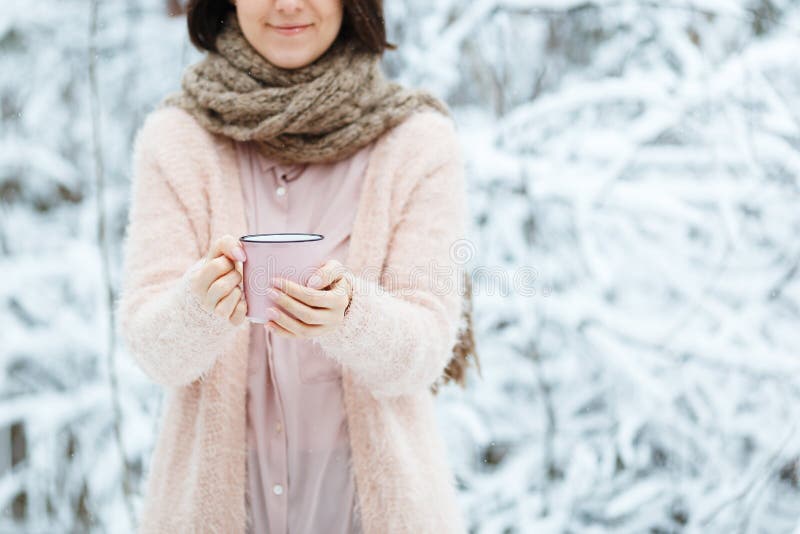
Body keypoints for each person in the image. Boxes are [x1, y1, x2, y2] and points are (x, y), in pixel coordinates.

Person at [116, 0, 479, 532]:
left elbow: (424, 351)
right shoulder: (177, 140)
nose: (288, 5)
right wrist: (200, 306)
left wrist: (350, 316)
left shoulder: (416, 144)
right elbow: (152, 350)